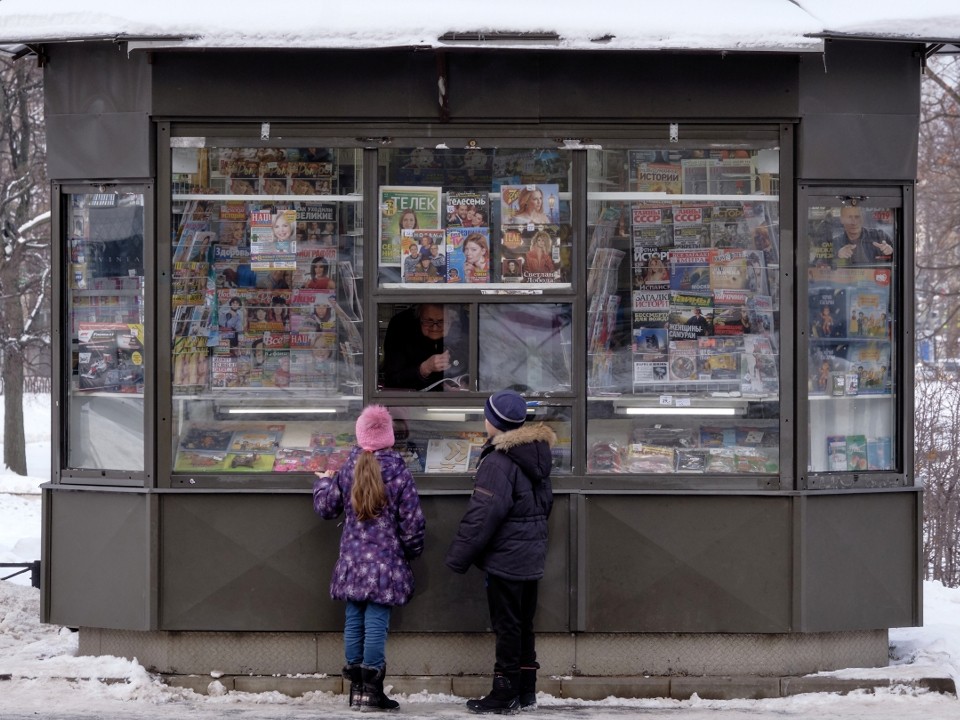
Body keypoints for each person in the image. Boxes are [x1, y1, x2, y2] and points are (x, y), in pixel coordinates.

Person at [445, 389, 556, 713]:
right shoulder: (536, 453)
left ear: (494, 423)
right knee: (523, 624)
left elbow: (483, 515)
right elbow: (544, 504)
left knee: (507, 625)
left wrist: (458, 557)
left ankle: (504, 691)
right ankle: (526, 690)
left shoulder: (498, 461)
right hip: (531, 554)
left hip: (507, 557)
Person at [313, 405, 425, 711]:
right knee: (377, 621)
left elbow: (326, 508)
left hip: (352, 560)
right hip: (385, 563)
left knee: (354, 619)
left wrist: (323, 481)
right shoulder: (399, 471)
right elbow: (412, 522)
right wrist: (412, 552)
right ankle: (373, 691)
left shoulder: (349, 467)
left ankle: (357, 691)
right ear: (389, 438)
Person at [382, 303, 468, 390]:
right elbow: (392, 380)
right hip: (413, 400)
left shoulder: (462, 328)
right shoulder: (401, 326)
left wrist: (464, 386)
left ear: (451, 321)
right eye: (428, 321)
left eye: (441, 321)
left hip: (455, 400)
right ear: (419, 317)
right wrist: (424, 369)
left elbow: (475, 369)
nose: (434, 328)